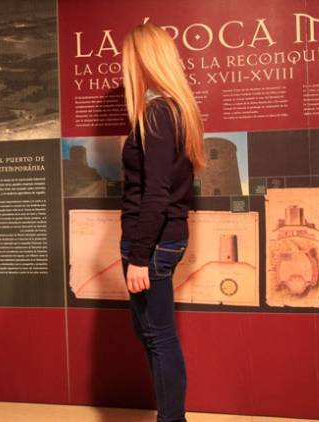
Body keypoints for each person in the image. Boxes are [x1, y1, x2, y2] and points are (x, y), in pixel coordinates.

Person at [119, 22, 206, 422]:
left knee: (158, 337)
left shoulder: (156, 113)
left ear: (142, 62)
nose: (125, 69)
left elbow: (155, 193)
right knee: (153, 336)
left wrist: (139, 256)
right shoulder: (175, 108)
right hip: (162, 239)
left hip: (150, 243)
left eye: (128, 60)